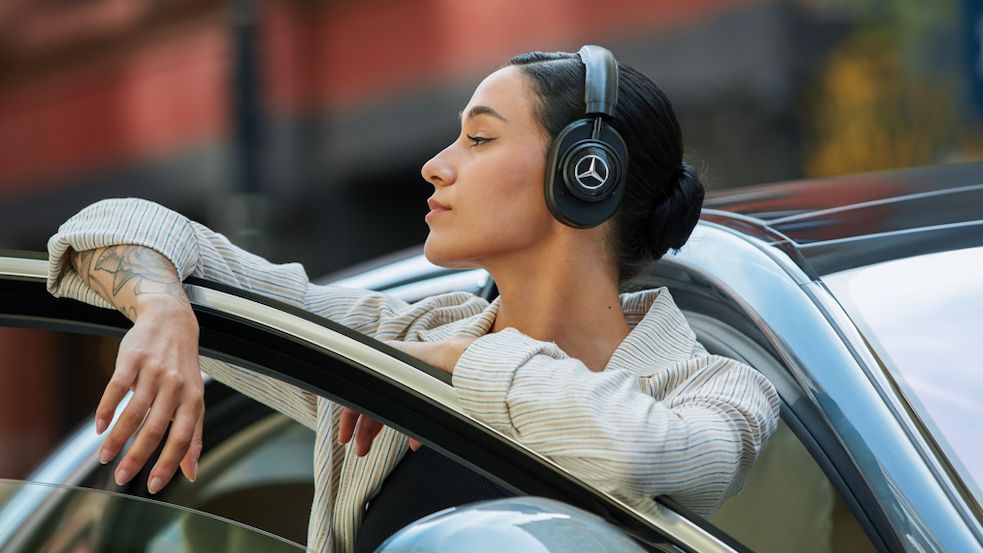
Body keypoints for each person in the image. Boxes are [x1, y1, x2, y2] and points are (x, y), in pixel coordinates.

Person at [47, 46, 780, 552]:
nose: (435, 166)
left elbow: (641, 451)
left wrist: (463, 360)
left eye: (479, 140)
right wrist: (164, 309)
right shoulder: (393, 337)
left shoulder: (716, 388)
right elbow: (109, 225)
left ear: (585, 173)